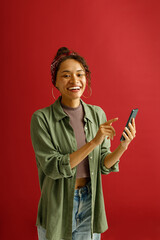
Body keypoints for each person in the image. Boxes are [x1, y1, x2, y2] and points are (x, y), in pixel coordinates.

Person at [30, 47, 136, 240]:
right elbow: (53, 167)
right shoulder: (41, 118)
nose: (74, 81)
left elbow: (103, 164)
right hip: (57, 204)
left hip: (90, 201)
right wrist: (94, 141)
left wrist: (123, 146)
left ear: (86, 78)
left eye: (80, 74)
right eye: (66, 75)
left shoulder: (97, 114)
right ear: (55, 81)